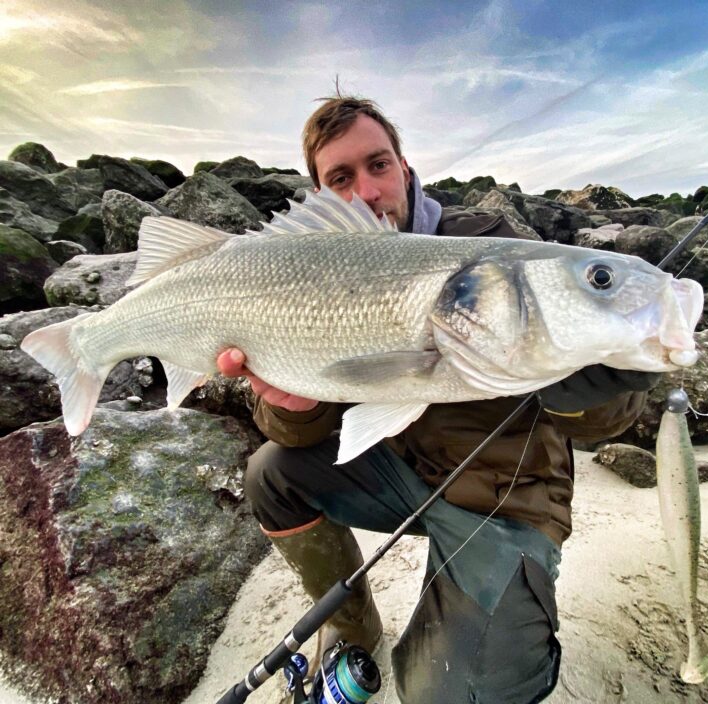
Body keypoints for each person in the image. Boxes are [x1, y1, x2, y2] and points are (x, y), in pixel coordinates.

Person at [217, 96, 659, 703]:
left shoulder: (495, 251)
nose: (368, 191)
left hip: (502, 501)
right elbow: (300, 429)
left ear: (405, 165)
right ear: (319, 195)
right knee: (271, 471)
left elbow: (603, 424)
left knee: (449, 694)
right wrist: (294, 408)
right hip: (398, 475)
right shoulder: (304, 267)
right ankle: (351, 624)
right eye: (340, 178)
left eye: (378, 165)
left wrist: (596, 381)